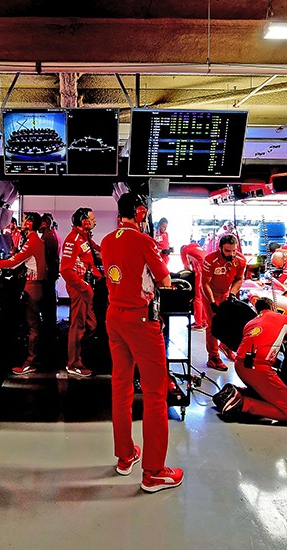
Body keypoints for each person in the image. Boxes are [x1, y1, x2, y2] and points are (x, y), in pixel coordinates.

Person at [101, 192, 183, 493]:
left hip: (114, 317)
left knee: (120, 385)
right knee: (154, 393)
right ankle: (154, 472)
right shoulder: (144, 241)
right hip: (141, 320)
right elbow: (164, 280)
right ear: (138, 212)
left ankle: (125, 456)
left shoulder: (107, 241)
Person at [225, 298, 287, 423]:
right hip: (258, 368)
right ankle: (243, 403)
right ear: (273, 307)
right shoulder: (281, 318)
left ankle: (239, 392)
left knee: (264, 394)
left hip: (240, 365)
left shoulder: (251, 322)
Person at [0, 212, 49, 376]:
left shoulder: (32, 241)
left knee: (32, 325)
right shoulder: (34, 240)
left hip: (33, 286)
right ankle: (31, 358)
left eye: (25, 220)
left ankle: (30, 362)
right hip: (33, 285)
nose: (22, 222)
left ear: (30, 224)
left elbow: (12, 263)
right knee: (33, 324)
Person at [60, 207, 102, 378]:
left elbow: (98, 252)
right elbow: (66, 270)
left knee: (91, 326)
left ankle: (80, 356)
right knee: (77, 327)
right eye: (92, 219)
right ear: (84, 222)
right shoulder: (73, 240)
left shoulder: (84, 238)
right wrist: (83, 286)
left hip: (87, 289)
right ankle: (73, 363)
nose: (95, 222)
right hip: (80, 289)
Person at [201, 234, 246, 371]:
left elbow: (239, 279)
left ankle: (226, 346)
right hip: (210, 293)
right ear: (220, 248)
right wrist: (213, 302)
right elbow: (205, 283)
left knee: (230, 323)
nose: (232, 254)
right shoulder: (210, 259)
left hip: (226, 293)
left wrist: (232, 294)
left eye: (234, 250)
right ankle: (213, 357)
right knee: (213, 325)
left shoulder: (240, 260)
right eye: (227, 251)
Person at [39, 213, 60, 363]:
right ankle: (50, 327)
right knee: (50, 302)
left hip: (48, 275)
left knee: (47, 304)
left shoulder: (47, 238)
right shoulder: (54, 235)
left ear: (44, 224)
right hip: (52, 274)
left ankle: (48, 333)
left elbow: (43, 258)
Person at [180, 240, 208, 330]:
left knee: (198, 297)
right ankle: (204, 321)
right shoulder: (199, 248)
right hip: (207, 272)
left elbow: (186, 267)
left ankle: (198, 323)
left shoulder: (185, 250)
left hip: (200, 272)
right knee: (204, 297)